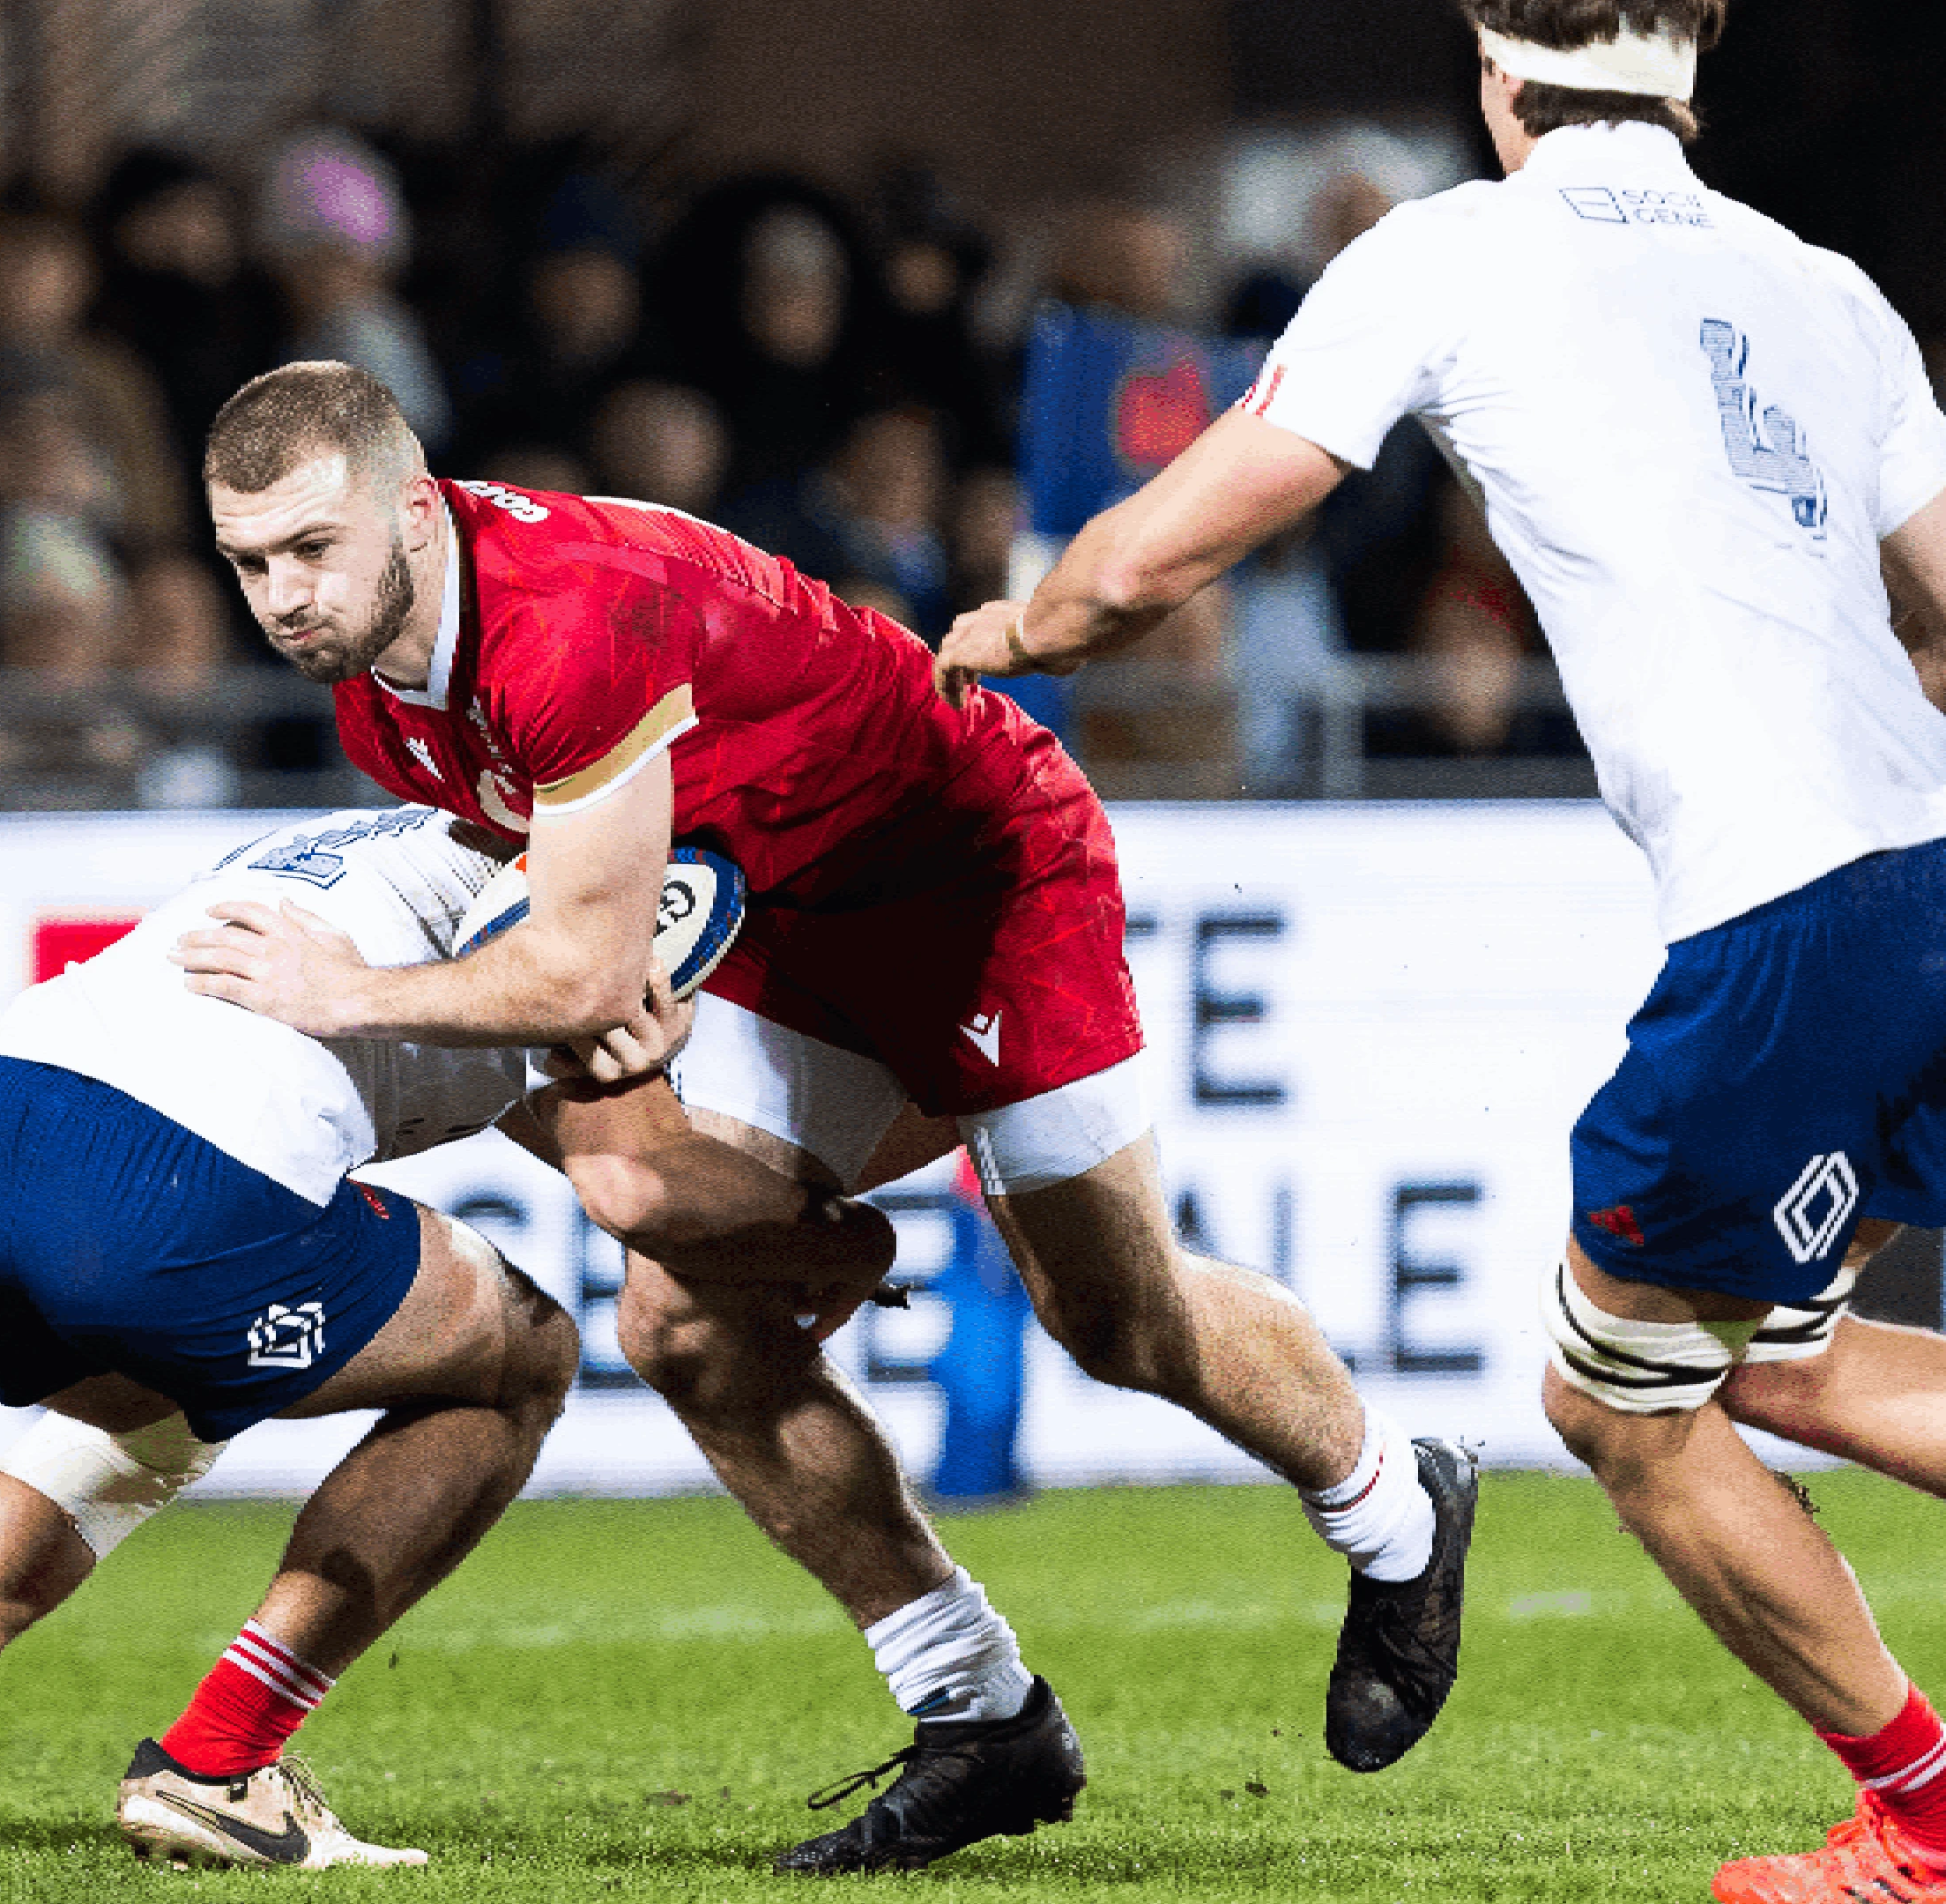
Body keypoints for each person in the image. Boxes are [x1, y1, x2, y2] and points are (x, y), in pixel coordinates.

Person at [927, 5, 1946, 1899]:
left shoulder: (1455, 250)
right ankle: (1936, 1831)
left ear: (1495, 68)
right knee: (1785, 1363)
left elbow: (1144, 567)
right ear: (1692, 70)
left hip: (1795, 917)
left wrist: (1010, 631)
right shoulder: (1823, 286)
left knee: (1614, 1406)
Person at [175, 359, 1480, 1875]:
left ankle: (1397, 1508)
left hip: (978, 870)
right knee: (676, 1306)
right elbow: (578, 929)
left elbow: (573, 960)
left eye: (309, 549)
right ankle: (980, 1713)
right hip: (789, 916)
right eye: (248, 561)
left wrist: (357, 992)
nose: (281, 595)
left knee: (1115, 1319)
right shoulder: (378, 690)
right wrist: (624, 1002)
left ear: (412, 506)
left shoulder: (564, 617)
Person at [0, 803, 893, 1872]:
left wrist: (720, 1203)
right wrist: (851, 1244)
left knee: (145, 1407)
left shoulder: (409, 839)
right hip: (173, 1189)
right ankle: (223, 1761)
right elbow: (639, 1182)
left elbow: (598, 1153)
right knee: (520, 1358)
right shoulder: (583, 898)